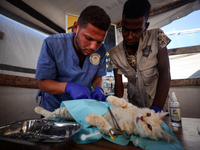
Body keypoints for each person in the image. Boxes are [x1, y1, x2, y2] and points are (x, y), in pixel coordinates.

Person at [35, 5, 111, 112]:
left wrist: (99, 88)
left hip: (81, 109)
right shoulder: (53, 44)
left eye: (99, 41)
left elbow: (97, 77)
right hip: (54, 109)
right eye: (88, 38)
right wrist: (68, 87)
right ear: (76, 27)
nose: (93, 47)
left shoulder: (101, 49)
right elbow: (43, 84)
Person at [110, 0, 171, 111]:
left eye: (136, 31)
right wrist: (117, 108)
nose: (129, 36)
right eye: (125, 30)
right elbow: (118, 85)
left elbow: (164, 73)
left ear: (145, 27)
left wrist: (157, 109)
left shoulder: (157, 37)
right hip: (135, 108)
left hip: (158, 104)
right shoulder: (114, 53)